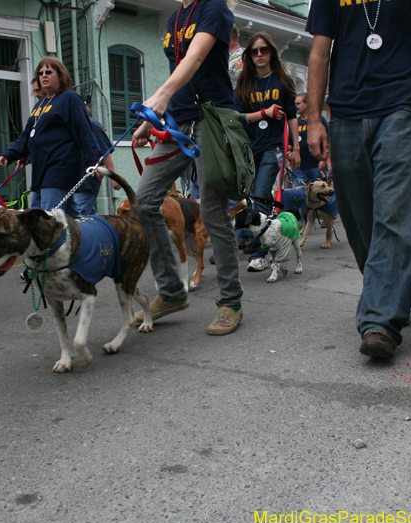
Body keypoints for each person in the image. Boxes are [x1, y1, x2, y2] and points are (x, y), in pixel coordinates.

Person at [306, 0, 411, 359]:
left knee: (392, 214)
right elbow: (318, 55)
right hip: (344, 112)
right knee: (358, 221)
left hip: (400, 109)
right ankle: (392, 293)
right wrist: (314, 119)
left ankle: (379, 322)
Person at [133, 0, 244, 335]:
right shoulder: (175, 17)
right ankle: (171, 292)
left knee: (211, 212)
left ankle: (231, 302)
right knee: (145, 201)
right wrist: (153, 121)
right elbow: (177, 70)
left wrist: (162, 95)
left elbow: (195, 59)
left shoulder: (215, 9)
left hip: (212, 121)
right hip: (178, 125)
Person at [0, 58, 101, 217]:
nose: (43, 76)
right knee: (70, 219)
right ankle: (89, 240)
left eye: (48, 72)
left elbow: (85, 132)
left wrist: (95, 161)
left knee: (46, 221)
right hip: (41, 172)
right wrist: (8, 154)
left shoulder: (70, 98)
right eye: (40, 73)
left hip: (59, 168)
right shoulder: (40, 104)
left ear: (60, 75)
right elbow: (27, 136)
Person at [235, 31, 300, 273]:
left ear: (271, 52)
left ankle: (259, 253)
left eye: (263, 50)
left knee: (261, 193)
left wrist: (296, 147)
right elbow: (238, 117)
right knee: (252, 197)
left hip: (274, 146)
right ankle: (270, 243)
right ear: (249, 55)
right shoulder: (244, 82)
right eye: (254, 51)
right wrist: (265, 113)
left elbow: (292, 115)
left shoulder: (283, 80)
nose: (259, 55)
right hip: (250, 147)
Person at [73, 105, 118, 216]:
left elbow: (105, 153)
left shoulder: (92, 125)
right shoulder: (70, 127)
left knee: (79, 217)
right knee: (90, 216)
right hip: (73, 181)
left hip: (87, 181)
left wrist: (114, 178)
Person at [293, 92, 328, 187]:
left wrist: (324, 160)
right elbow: (290, 143)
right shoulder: (295, 122)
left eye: (298, 103)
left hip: (316, 166)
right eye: (294, 103)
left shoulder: (318, 120)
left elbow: (327, 140)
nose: (295, 106)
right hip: (300, 167)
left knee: (320, 193)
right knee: (300, 194)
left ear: (307, 104)